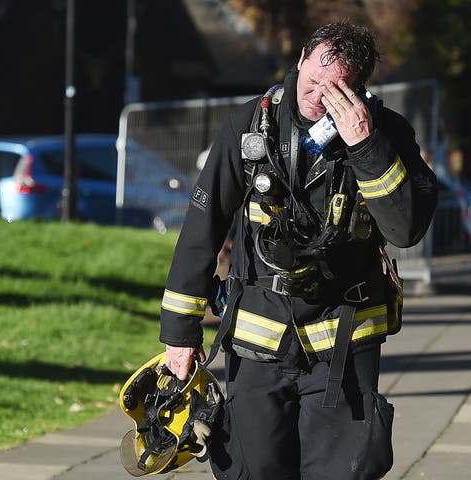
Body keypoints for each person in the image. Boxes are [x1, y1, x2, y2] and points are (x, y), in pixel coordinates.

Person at [159, 21, 437, 480]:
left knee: (342, 471)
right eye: (311, 82)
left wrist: (366, 148)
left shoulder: (386, 135)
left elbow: (406, 230)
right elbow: (200, 231)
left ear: (358, 88)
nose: (315, 97)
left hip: (344, 347)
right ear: (302, 60)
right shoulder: (249, 127)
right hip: (258, 344)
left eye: (334, 92)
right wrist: (179, 334)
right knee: (251, 469)